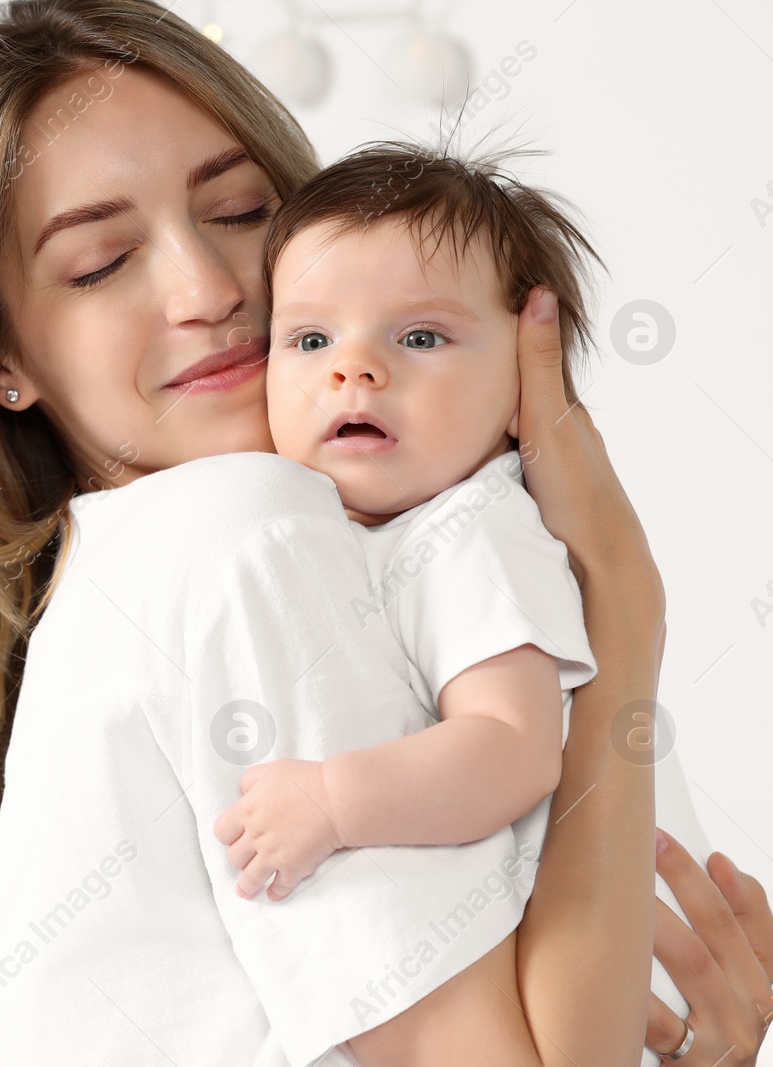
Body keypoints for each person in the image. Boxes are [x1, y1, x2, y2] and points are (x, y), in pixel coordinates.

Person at [0, 2, 773, 1063]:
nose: (210, 290)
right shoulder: (242, 530)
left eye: (239, 211)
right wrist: (623, 596)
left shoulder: (350, 552)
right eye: (101, 261)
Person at [212, 142, 690, 1067]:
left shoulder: (473, 532)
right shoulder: (335, 533)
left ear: (522, 384)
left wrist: (333, 799)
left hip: (549, 968)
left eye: (420, 337)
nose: (354, 369)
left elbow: (512, 749)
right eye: (310, 340)